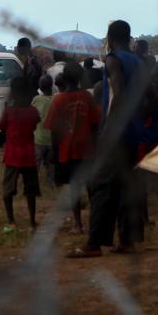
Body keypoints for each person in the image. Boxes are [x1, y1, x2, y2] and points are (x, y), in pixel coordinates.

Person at [69, 19, 145, 257]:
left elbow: (118, 93)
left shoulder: (113, 59)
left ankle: (94, 244)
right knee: (126, 186)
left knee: (101, 185)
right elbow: (150, 94)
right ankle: (127, 241)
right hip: (134, 132)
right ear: (129, 39)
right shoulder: (138, 62)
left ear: (110, 39)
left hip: (116, 133)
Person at [46, 61, 102, 234]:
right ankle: (95, 223)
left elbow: (54, 131)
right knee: (91, 187)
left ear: (64, 77)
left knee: (74, 189)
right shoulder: (87, 97)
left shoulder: (58, 100)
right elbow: (95, 124)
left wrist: (55, 154)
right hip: (87, 149)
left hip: (68, 151)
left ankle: (78, 224)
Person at [0, 77, 41, 231]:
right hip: (28, 155)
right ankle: (32, 221)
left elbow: (1, 127)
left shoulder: (9, 111)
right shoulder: (32, 111)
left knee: (8, 190)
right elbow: (35, 124)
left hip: (12, 155)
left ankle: (11, 221)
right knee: (31, 191)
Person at [31, 75, 55, 185]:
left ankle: (33, 182)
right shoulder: (56, 99)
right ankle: (51, 182)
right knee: (51, 163)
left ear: (40, 87)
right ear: (51, 85)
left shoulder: (36, 99)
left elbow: (31, 115)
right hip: (52, 140)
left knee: (36, 162)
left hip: (39, 139)